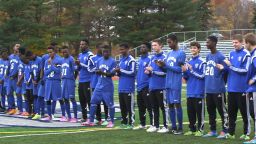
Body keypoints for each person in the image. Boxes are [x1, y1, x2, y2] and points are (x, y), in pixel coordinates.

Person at [217, 34, 251, 140]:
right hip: (231, 88)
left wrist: (230, 66)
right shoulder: (231, 53)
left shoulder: (247, 54)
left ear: (242, 42)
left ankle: (247, 133)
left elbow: (245, 70)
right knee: (232, 113)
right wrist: (223, 68)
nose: (234, 44)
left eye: (236, 42)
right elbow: (228, 69)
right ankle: (231, 133)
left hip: (242, 89)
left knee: (245, 113)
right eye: (233, 42)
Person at [157, 34, 186, 134]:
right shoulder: (169, 54)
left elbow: (180, 70)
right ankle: (173, 127)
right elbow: (166, 69)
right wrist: (161, 66)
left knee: (177, 105)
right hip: (168, 83)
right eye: (167, 42)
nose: (168, 44)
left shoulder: (181, 53)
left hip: (176, 83)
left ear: (175, 41)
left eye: (170, 42)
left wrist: (166, 66)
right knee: (170, 105)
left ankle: (180, 128)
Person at [83, 45, 116, 128]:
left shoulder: (113, 61)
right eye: (104, 51)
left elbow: (112, 74)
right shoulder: (99, 60)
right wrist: (98, 72)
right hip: (99, 85)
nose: (105, 53)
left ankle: (111, 121)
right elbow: (97, 70)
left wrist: (102, 73)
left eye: (107, 51)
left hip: (107, 86)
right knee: (93, 102)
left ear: (109, 52)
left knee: (110, 104)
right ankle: (90, 121)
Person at [203, 36, 229, 138]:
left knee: (222, 111)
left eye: (208, 42)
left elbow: (226, 70)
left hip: (218, 89)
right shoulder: (208, 56)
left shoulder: (221, 56)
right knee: (211, 111)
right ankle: (212, 130)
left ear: (214, 43)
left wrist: (221, 82)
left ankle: (225, 130)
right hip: (208, 89)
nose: (206, 44)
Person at [145, 40, 168, 133]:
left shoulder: (165, 57)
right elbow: (150, 70)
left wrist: (152, 71)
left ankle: (166, 126)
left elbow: (165, 72)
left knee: (163, 107)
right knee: (154, 107)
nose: (153, 47)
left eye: (155, 45)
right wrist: (147, 71)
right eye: (152, 45)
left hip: (161, 86)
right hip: (152, 86)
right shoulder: (152, 58)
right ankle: (155, 125)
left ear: (160, 46)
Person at [183, 42, 205, 137]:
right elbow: (187, 77)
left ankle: (201, 130)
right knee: (190, 112)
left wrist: (191, 70)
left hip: (199, 91)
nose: (192, 49)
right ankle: (192, 129)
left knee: (199, 113)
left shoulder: (202, 61)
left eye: (195, 48)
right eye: (191, 48)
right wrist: (184, 71)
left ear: (199, 49)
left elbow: (202, 76)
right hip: (190, 91)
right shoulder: (189, 62)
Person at [115, 43, 136, 129]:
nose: (121, 51)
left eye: (123, 49)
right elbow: (119, 74)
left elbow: (132, 72)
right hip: (121, 87)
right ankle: (124, 122)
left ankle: (131, 123)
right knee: (122, 107)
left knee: (130, 108)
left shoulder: (131, 60)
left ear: (127, 49)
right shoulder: (121, 60)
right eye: (120, 50)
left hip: (129, 88)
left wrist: (121, 70)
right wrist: (118, 72)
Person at [133, 42, 153, 130]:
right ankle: (142, 124)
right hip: (139, 86)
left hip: (147, 86)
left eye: (144, 47)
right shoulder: (139, 59)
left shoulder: (150, 59)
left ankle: (153, 124)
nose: (141, 49)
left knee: (149, 106)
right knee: (141, 107)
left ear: (148, 49)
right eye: (141, 47)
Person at [88, 43, 108, 125]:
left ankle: (107, 118)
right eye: (101, 47)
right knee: (96, 102)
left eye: (103, 48)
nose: (102, 49)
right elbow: (89, 69)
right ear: (97, 48)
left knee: (106, 101)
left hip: (104, 83)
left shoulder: (106, 58)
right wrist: (96, 69)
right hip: (94, 83)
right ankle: (98, 118)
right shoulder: (92, 58)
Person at [41, 46, 63, 121]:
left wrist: (52, 65)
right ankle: (50, 115)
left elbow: (59, 71)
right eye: (48, 52)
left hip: (56, 81)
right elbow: (46, 73)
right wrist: (52, 67)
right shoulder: (47, 61)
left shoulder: (59, 60)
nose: (49, 54)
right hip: (48, 81)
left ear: (54, 52)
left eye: (51, 52)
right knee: (48, 98)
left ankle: (63, 115)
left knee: (58, 98)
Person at [76, 39, 94, 123]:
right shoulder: (80, 55)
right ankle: (84, 117)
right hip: (81, 80)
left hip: (88, 80)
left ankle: (91, 117)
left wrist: (80, 64)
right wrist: (77, 66)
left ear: (87, 45)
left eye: (83, 44)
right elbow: (79, 68)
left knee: (89, 100)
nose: (81, 46)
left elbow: (91, 68)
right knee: (82, 100)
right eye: (80, 44)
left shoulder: (90, 55)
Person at [243, 33, 256, 144]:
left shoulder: (255, 55)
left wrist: (254, 79)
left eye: (244, 42)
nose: (244, 44)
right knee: (253, 112)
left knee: (255, 113)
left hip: (255, 89)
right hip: (251, 89)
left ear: (248, 43)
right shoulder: (253, 54)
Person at [61, 46, 78, 123]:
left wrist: (73, 79)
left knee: (72, 98)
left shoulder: (71, 59)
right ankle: (69, 116)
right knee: (65, 99)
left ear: (69, 52)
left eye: (66, 52)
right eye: (63, 52)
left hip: (70, 81)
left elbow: (76, 70)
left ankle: (75, 117)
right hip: (64, 81)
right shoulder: (62, 60)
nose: (64, 53)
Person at [26, 51, 44, 120]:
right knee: (35, 97)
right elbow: (31, 72)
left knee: (40, 96)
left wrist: (37, 80)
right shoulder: (31, 61)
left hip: (39, 81)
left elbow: (41, 71)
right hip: (34, 82)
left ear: (32, 54)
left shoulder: (39, 59)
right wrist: (33, 80)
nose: (29, 59)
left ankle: (41, 112)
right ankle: (36, 112)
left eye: (29, 57)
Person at [6, 44, 21, 115]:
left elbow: (20, 67)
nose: (18, 47)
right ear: (13, 47)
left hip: (16, 78)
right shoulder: (10, 57)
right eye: (16, 46)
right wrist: (6, 75)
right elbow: (8, 67)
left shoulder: (20, 57)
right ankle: (12, 108)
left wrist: (15, 75)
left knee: (18, 93)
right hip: (10, 78)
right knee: (9, 93)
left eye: (19, 46)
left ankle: (19, 109)